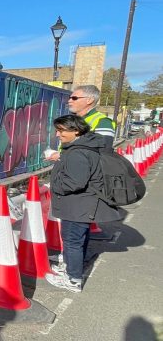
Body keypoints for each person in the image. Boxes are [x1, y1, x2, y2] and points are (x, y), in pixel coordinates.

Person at [44, 115, 126, 292]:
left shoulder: (77, 152)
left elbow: (75, 182)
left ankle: (73, 280)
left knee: (72, 240)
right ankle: (70, 268)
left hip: (77, 205)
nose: (57, 134)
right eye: (57, 130)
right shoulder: (86, 147)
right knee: (79, 238)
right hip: (83, 204)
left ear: (76, 130)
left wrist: (53, 185)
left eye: (61, 131)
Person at [46, 85, 115, 161]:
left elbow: (103, 152)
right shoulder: (72, 119)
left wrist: (61, 156)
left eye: (74, 98)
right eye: (70, 98)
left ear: (89, 100)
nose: (69, 101)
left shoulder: (103, 122)